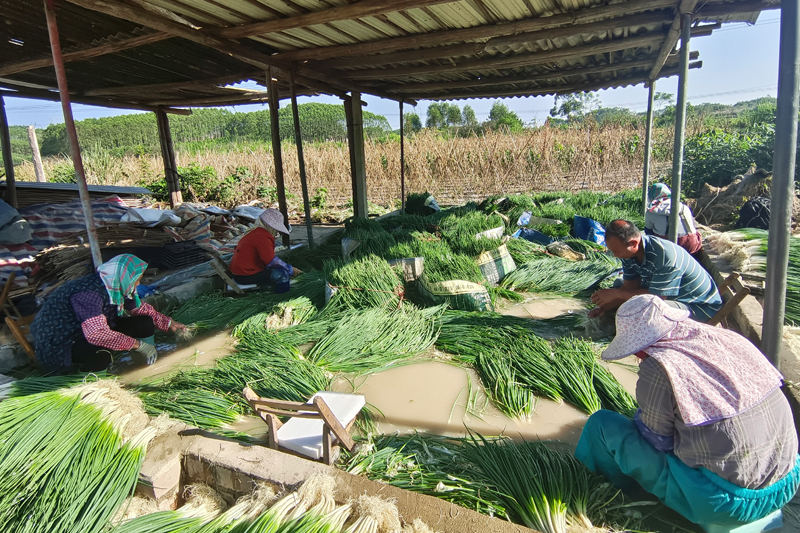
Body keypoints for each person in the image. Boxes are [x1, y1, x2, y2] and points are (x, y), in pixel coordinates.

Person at [576, 295, 800, 528]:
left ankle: (612, 495)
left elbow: (658, 442)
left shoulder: (661, 366)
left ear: (639, 345)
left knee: (601, 425)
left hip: (725, 502)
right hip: (788, 483)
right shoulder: (729, 338)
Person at [31, 254, 186, 373]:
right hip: (63, 342)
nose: (138, 284)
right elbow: (97, 334)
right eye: (136, 279)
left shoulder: (116, 286)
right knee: (102, 354)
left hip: (91, 332)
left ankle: (146, 364)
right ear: (124, 277)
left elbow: (139, 309)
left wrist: (168, 323)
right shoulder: (89, 294)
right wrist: (137, 345)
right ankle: (94, 384)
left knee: (144, 321)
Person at [590, 220, 722, 322]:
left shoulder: (666, 256)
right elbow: (629, 288)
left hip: (696, 306)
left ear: (633, 243)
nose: (615, 256)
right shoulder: (629, 254)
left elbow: (655, 299)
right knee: (619, 284)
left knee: (650, 309)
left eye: (617, 251)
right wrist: (604, 308)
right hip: (666, 295)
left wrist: (615, 294)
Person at [229, 208, 302, 292]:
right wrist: (291, 269)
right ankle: (283, 298)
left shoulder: (256, 232)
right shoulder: (262, 236)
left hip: (240, 272)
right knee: (281, 274)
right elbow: (271, 261)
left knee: (279, 270)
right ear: (270, 226)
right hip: (244, 275)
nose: (276, 232)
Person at [644, 183, 702, 254]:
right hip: (689, 244)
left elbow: (648, 231)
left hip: (666, 247)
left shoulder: (651, 211)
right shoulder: (683, 207)